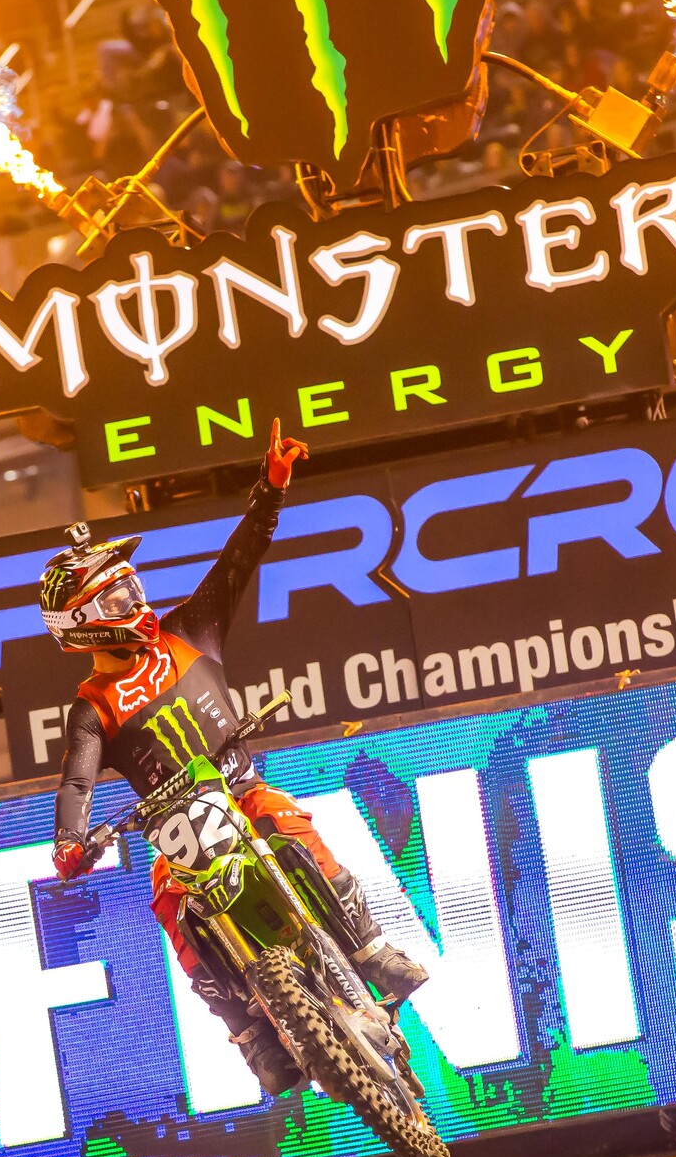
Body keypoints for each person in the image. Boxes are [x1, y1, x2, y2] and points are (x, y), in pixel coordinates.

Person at [44, 424, 427, 1094]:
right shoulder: (93, 704)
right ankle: (254, 1039)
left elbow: (239, 560)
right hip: (178, 830)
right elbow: (77, 777)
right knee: (169, 903)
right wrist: (71, 841)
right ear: (82, 624)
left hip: (239, 791)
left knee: (284, 817)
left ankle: (371, 949)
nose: (134, 602)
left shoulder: (189, 631)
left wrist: (270, 489)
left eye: (131, 588)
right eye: (115, 598)